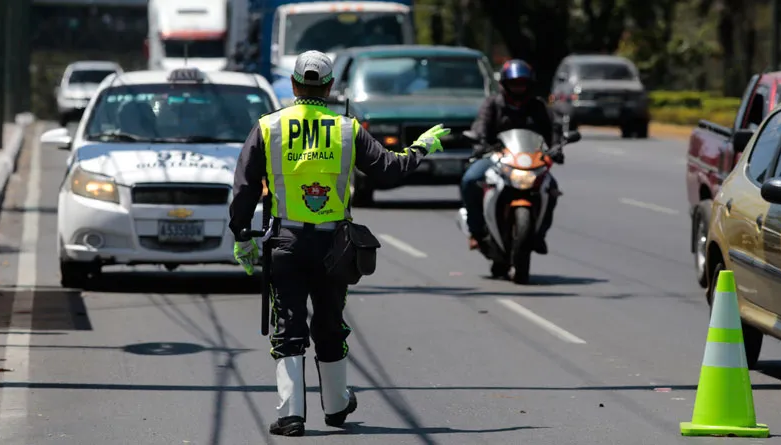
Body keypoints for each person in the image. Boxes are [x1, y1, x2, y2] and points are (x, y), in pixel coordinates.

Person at [228, 50, 450, 437]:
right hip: (335, 244)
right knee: (330, 324)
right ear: (329, 87)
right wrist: (422, 147)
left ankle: (291, 415)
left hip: (287, 242)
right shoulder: (347, 128)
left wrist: (241, 235)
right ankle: (335, 406)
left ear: (295, 84)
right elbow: (389, 169)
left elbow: (245, 188)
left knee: (289, 327)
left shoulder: (269, 126)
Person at [460, 59, 559, 256]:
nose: (518, 88)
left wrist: (557, 148)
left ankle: (539, 234)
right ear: (505, 84)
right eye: (514, 83)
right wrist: (480, 144)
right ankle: (476, 231)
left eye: (522, 83)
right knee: (470, 180)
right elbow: (480, 126)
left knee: (552, 188)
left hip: (530, 161)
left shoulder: (537, 107)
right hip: (496, 158)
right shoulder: (492, 104)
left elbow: (552, 131)